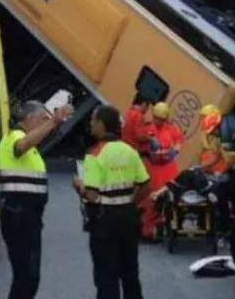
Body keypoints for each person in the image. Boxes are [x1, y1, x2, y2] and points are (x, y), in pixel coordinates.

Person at [0, 100, 73, 299]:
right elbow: (21, 145)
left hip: (26, 216)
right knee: (26, 277)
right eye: (43, 119)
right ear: (30, 119)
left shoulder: (30, 145)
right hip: (19, 214)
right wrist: (55, 121)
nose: (45, 124)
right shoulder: (15, 136)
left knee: (28, 277)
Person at [73, 105, 149, 299]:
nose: (90, 123)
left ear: (101, 124)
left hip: (104, 222)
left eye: (93, 120)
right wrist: (129, 201)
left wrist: (78, 185)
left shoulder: (95, 154)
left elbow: (91, 195)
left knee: (106, 277)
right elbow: (146, 185)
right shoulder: (130, 151)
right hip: (129, 218)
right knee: (130, 274)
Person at [138, 102, 183, 240]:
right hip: (153, 167)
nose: (159, 121)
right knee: (151, 199)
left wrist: (175, 150)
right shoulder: (147, 129)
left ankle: (169, 226)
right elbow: (140, 142)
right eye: (157, 118)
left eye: (162, 119)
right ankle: (147, 230)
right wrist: (149, 143)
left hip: (168, 167)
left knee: (173, 197)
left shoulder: (172, 129)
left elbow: (179, 142)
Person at [199, 104, 227, 175]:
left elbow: (217, 155)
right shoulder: (209, 134)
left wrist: (202, 166)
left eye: (204, 117)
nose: (202, 120)